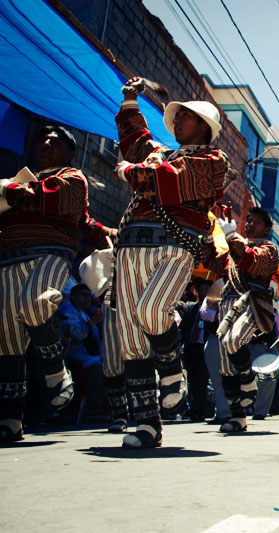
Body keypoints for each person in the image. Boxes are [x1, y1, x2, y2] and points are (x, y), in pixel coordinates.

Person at [111, 77, 228, 448]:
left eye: (186, 118)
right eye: (176, 119)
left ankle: (170, 367)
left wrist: (129, 172)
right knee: (130, 336)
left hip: (177, 245)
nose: (177, 123)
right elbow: (134, 142)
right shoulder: (158, 153)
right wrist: (131, 100)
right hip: (131, 244)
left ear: (205, 128)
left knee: (152, 309)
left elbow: (170, 183)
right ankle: (146, 425)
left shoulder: (212, 161)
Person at [0, 125, 113, 443]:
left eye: (56, 142)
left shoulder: (72, 178)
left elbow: (51, 200)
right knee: (7, 339)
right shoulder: (24, 181)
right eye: (42, 141)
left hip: (50, 253)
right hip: (8, 257)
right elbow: (87, 223)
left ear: (70, 152)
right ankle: (10, 418)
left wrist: (7, 191)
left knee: (37, 301)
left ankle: (54, 368)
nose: (46, 144)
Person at [205, 207, 279, 433]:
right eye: (247, 221)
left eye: (255, 221)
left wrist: (231, 237)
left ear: (266, 228)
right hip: (227, 302)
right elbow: (212, 262)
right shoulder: (233, 247)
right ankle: (238, 417)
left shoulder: (269, 248)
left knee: (233, 340)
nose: (249, 225)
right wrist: (209, 235)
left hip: (251, 302)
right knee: (226, 366)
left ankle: (248, 382)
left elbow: (250, 263)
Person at [60, 283, 106, 413]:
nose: (88, 299)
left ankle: (109, 405)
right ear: (74, 297)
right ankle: (93, 406)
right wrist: (91, 323)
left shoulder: (85, 311)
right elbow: (76, 334)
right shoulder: (68, 310)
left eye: (89, 296)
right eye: (84, 296)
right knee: (98, 366)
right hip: (75, 355)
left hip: (90, 354)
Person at [175, 279, 214, 421]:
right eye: (201, 290)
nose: (204, 293)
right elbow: (183, 328)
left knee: (202, 380)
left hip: (206, 347)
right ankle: (196, 408)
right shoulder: (191, 308)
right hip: (192, 347)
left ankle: (201, 409)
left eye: (206, 290)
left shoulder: (213, 309)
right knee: (192, 379)